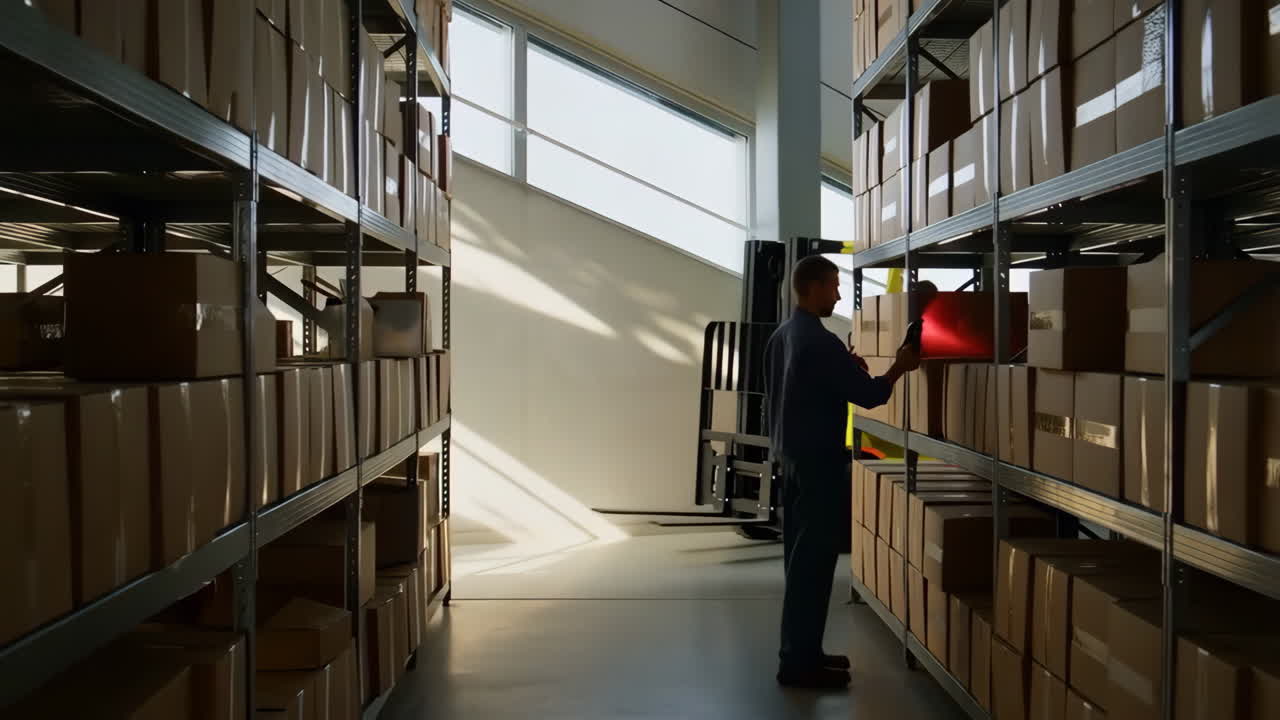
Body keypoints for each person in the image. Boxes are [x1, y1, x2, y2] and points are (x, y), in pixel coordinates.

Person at [764, 255, 919, 689]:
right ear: (811, 287)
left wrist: (843, 369)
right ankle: (799, 666)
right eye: (833, 286)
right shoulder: (818, 341)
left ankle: (802, 654)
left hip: (791, 461)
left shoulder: (783, 336)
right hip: (817, 466)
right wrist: (899, 367)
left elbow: (795, 391)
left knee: (799, 565)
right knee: (814, 565)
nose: (837, 294)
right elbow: (870, 396)